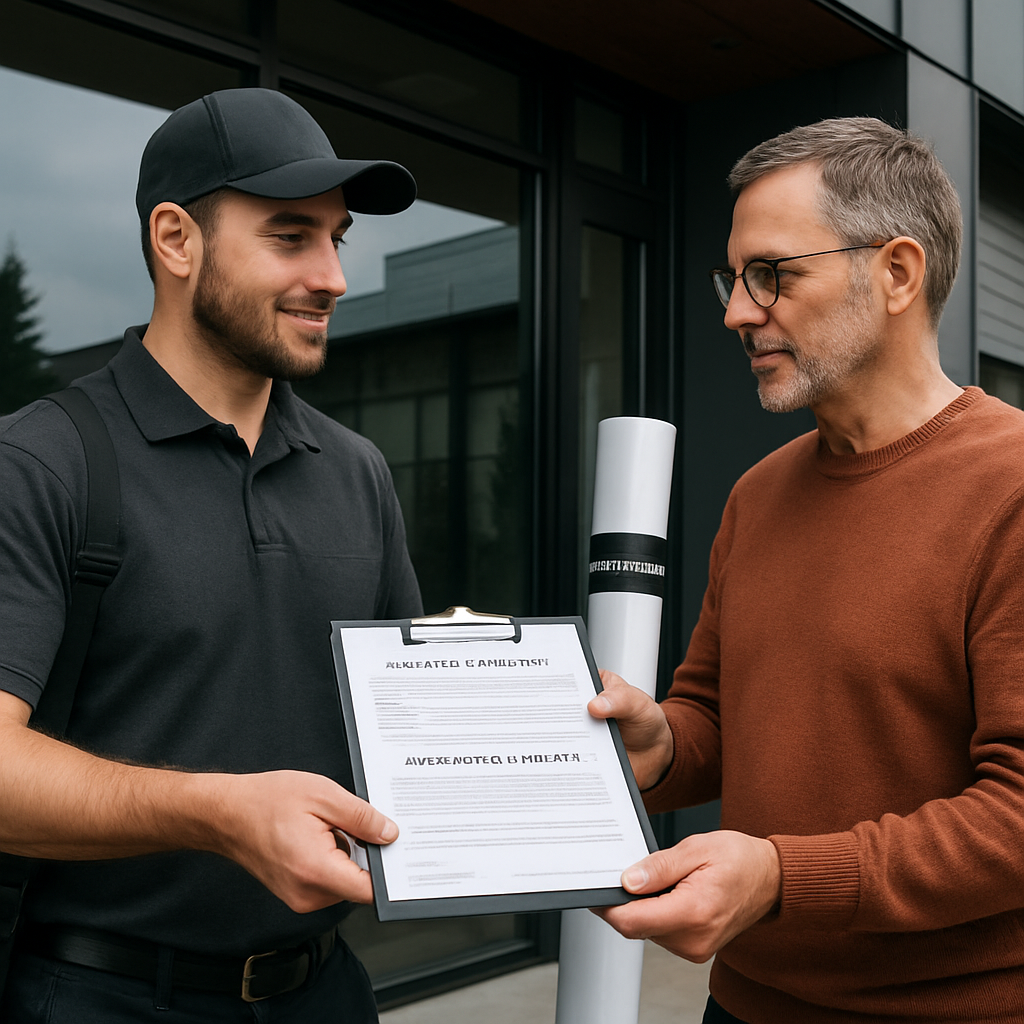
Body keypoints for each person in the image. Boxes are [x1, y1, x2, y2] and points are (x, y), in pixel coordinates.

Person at [0, 88, 423, 1022]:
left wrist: (564, 766)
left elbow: (412, 737)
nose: (333, 276)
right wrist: (221, 813)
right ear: (176, 240)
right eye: (288, 236)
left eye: (337, 237)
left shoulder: (357, 472)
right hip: (98, 997)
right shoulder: (42, 462)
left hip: (326, 993)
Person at [589, 117, 1024, 1022]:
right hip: (743, 1005)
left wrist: (783, 876)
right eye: (733, 277)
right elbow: (714, 715)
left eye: (771, 275)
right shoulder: (759, 493)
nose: (736, 311)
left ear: (896, 273)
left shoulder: (1011, 488)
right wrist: (660, 744)